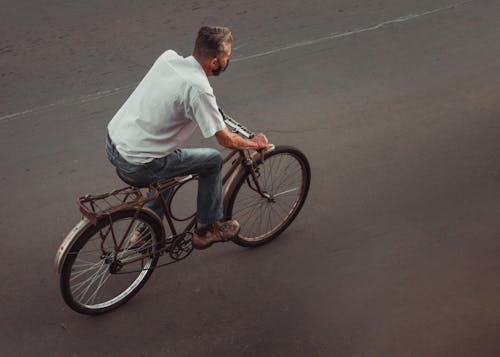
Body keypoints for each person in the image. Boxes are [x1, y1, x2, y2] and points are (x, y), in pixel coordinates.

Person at [105, 26, 269, 249]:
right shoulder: (199, 89)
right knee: (211, 160)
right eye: (227, 57)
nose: (228, 61)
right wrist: (254, 143)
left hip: (114, 143)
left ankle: (144, 231)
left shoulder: (168, 58)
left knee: (169, 171)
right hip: (138, 163)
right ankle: (206, 229)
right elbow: (226, 140)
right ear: (214, 63)